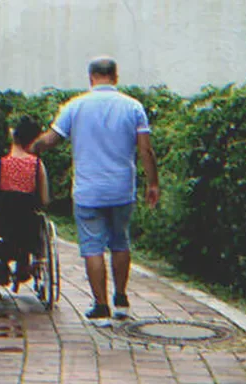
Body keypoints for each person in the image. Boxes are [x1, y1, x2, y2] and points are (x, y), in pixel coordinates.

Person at [29, 56, 160, 326]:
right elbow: (145, 149)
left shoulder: (74, 106)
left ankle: (101, 307)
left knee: (93, 248)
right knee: (120, 242)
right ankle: (121, 300)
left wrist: (30, 148)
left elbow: (51, 140)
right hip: (122, 188)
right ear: (116, 77)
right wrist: (153, 183)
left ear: (91, 78)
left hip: (88, 191)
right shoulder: (133, 107)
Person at [0, 115, 51, 290]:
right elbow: (44, 200)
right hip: (29, 230)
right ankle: (24, 264)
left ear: (14, 136)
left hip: (3, 226)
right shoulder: (38, 165)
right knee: (34, 223)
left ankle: (0, 263)